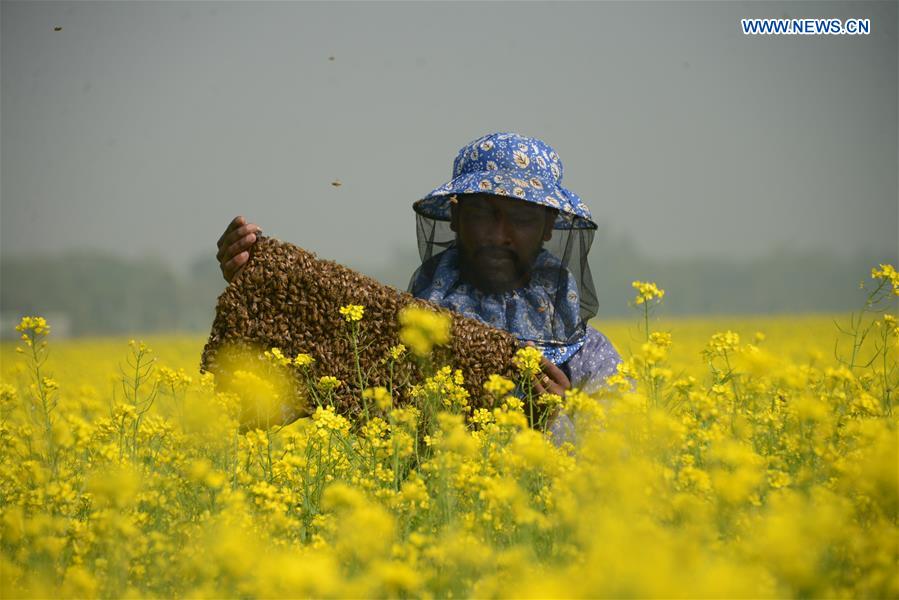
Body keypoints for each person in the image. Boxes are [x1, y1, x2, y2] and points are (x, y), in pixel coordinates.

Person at [215, 132, 622, 438]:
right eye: (483, 214)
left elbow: (629, 471)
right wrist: (259, 297)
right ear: (455, 217)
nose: (500, 234)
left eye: (521, 218)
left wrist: (560, 414)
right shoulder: (388, 340)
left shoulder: (590, 357)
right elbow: (267, 408)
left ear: (549, 227)